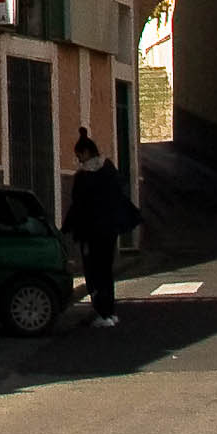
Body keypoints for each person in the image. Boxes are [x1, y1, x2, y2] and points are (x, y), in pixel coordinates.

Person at [62, 129, 139, 328]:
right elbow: (119, 194)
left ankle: (101, 312)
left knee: (93, 272)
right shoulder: (109, 169)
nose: (78, 160)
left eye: (79, 155)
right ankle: (109, 311)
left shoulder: (83, 177)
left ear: (86, 152)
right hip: (110, 230)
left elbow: (78, 206)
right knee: (106, 270)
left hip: (91, 233)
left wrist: (66, 228)